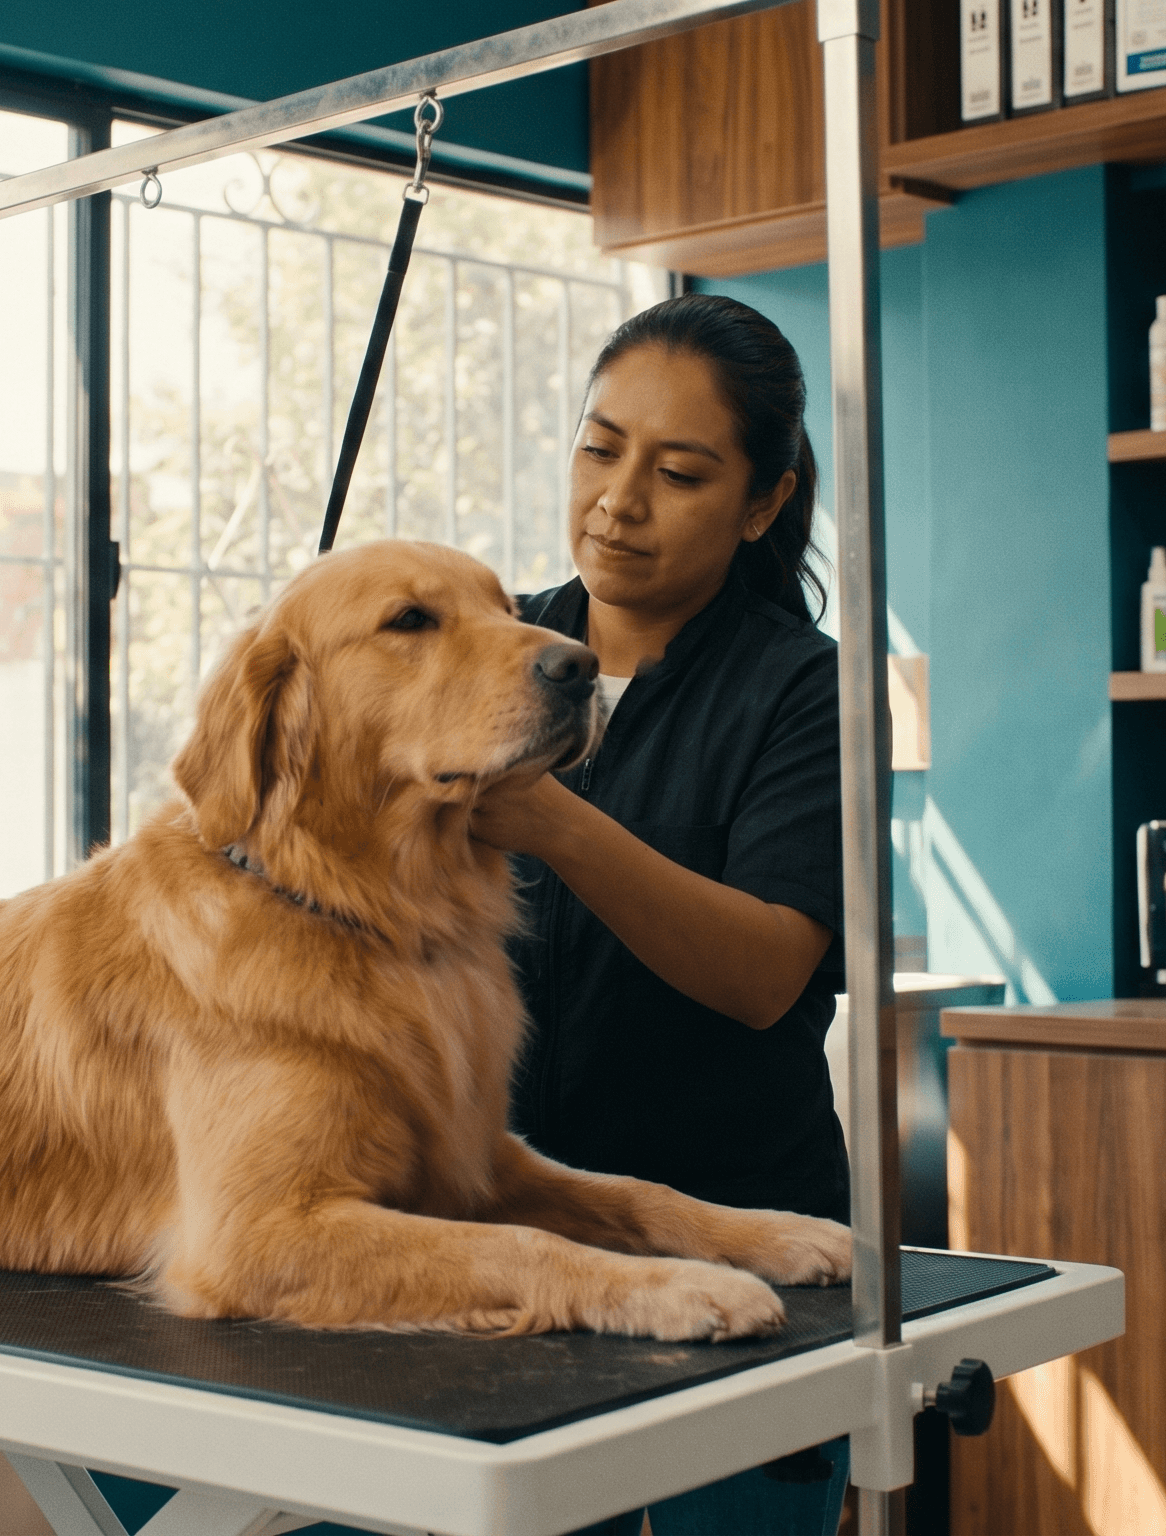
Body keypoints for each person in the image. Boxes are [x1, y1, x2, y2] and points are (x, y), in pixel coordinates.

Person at [471, 293, 852, 1536]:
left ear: (760, 503)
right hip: (523, 1246)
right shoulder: (488, 651)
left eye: (678, 472)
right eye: (599, 446)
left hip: (740, 1242)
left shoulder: (803, 693)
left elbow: (765, 972)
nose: (617, 501)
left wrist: (554, 823)